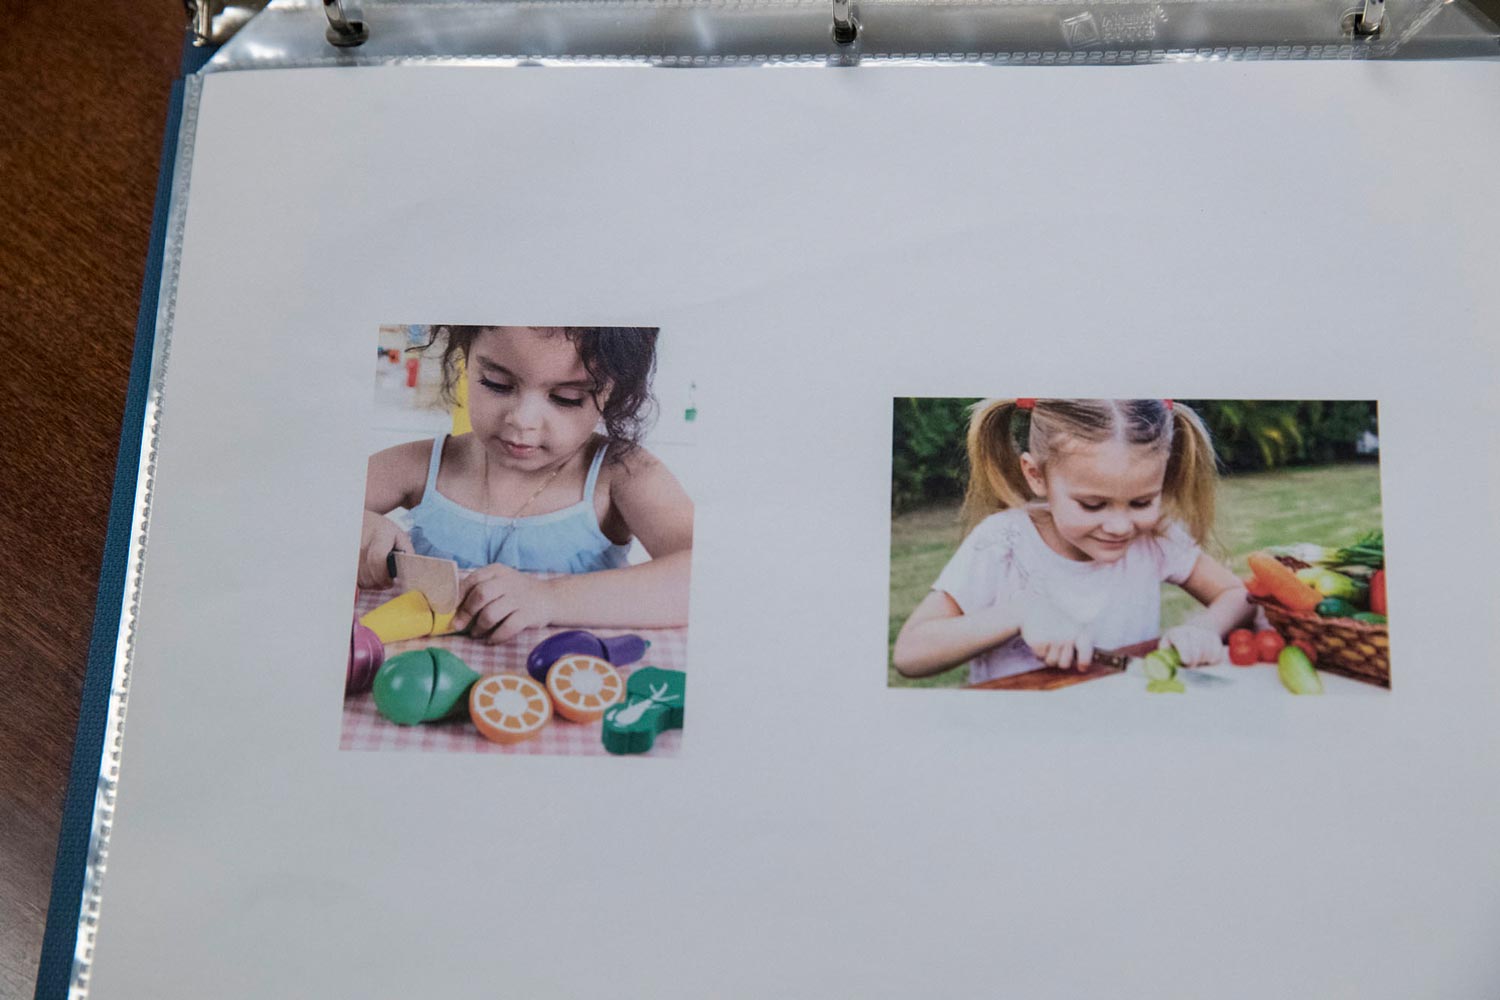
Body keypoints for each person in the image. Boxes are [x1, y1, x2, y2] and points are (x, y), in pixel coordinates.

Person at [358, 326, 693, 643]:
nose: (522, 419)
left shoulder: (622, 473)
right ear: (465, 357)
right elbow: (311, 506)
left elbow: (706, 576)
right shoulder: (420, 465)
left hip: (565, 687)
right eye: (497, 383)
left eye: (566, 398)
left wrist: (548, 599)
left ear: (615, 391)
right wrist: (356, 527)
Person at [892, 398, 1251, 683]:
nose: (1120, 526)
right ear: (1036, 476)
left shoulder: (1156, 537)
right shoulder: (1004, 542)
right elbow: (910, 654)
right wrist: (1021, 613)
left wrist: (1201, 629)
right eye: (1092, 504)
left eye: (1142, 502)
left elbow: (1236, 594)